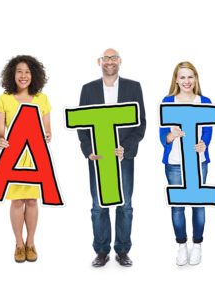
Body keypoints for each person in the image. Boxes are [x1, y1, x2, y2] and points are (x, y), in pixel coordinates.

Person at [77, 48, 146, 267]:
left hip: (123, 158)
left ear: (120, 61)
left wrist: (125, 147)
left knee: (125, 205)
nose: (110, 62)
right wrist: (89, 150)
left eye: (113, 58)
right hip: (98, 159)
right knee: (98, 206)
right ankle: (101, 251)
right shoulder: (88, 90)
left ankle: (123, 250)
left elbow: (140, 122)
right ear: (99, 62)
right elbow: (81, 124)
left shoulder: (133, 87)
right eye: (106, 58)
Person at [0, 55, 51, 263]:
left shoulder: (42, 99)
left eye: (27, 72)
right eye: (19, 71)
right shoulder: (4, 99)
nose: (23, 75)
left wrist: (46, 135)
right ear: (12, 74)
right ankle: (18, 243)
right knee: (17, 201)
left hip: (35, 158)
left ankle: (31, 242)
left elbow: (48, 130)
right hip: (14, 158)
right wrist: (0, 140)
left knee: (32, 201)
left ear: (33, 75)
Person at [159, 61, 213, 266]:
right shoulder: (168, 101)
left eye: (190, 76)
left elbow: (208, 130)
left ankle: (197, 245)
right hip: (174, 163)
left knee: (199, 205)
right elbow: (161, 134)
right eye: (182, 77)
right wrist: (171, 136)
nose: (186, 81)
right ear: (176, 79)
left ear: (196, 78)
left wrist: (204, 144)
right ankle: (181, 245)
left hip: (198, 162)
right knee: (177, 206)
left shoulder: (204, 101)